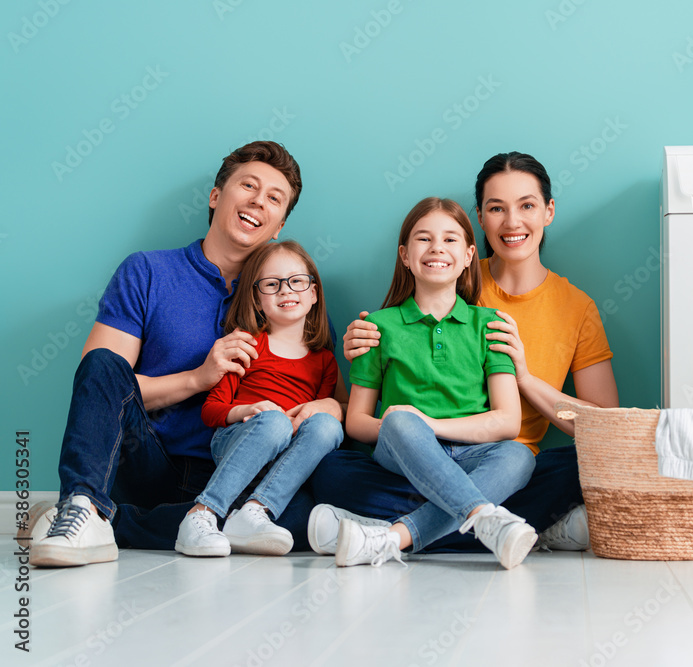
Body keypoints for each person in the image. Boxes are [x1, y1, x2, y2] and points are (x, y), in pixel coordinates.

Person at [28, 141, 343, 568]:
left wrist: (331, 404)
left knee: (303, 516)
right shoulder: (147, 272)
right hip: (149, 461)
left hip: (237, 474)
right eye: (247, 185)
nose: (257, 201)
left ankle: (119, 524)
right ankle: (85, 505)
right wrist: (198, 378)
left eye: (273, 198)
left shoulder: (290, 301)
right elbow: (103, 387)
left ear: (278, 226)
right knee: (103, 362)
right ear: (216, 197)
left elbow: (334, 405)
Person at [309, 152, 618, 555]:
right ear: (480, 219)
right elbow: (373, 408)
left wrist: (526, 379)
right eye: (496, 208)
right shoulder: (448, 277)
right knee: (334, 469)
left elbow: (607, 430)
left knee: (572, 464)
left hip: (500, 461)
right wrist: (360, 348)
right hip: (410, 462)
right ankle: (521, 527)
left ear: (548, 211)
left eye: (526, 205)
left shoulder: (572, 308)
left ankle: (392, 533)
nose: (512, 222)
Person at [330, 197, 538, 570]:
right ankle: (486, 519)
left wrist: (430, 425)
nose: (437, 248)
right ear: (405, 255)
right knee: (395, 421)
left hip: (470, 452)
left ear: (470, 255)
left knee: (519, 456)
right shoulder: (376, 326)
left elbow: (508, 421)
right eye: (424, 239)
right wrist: (407, 428)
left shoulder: (491, 324)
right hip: (400, 451)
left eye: (450, 240)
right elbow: (357, 422)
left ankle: (392, 537)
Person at [175, 241, 343, 558]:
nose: (286, 291)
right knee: (275, 423)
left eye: (297, 281)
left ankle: (254, 512)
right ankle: (201, 514)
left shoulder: (324, 361)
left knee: (329, 427)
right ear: (257, 298)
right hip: (239, 438)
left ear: (314, 294)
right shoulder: (247, 346)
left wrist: (320, 412)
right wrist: (248, 411)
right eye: (271, 284)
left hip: (288, 451)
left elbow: (317, 422)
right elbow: (211, 411)